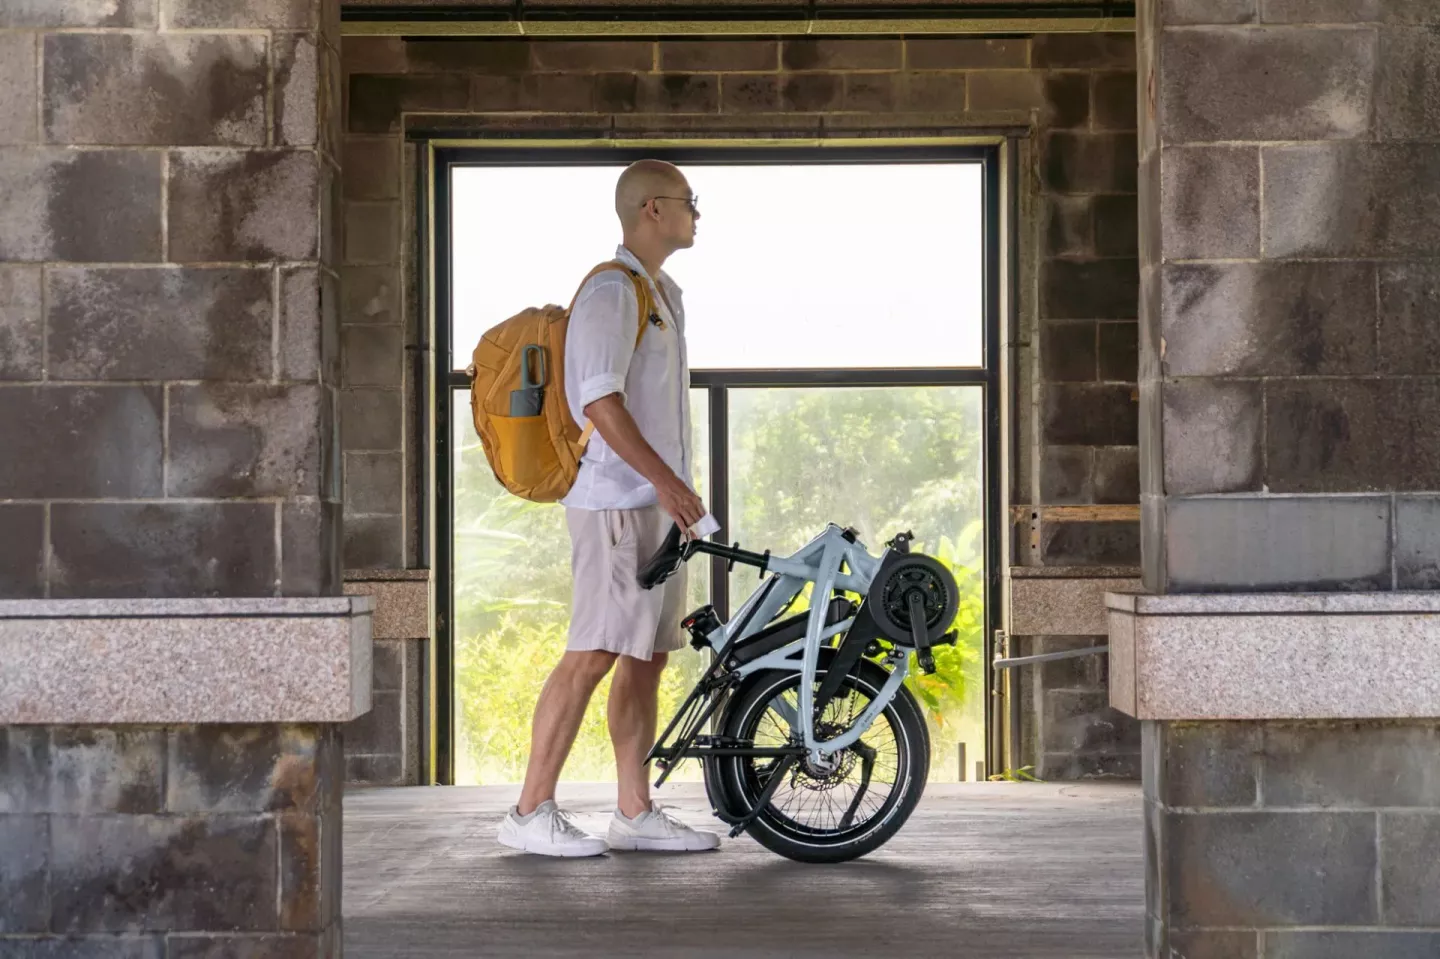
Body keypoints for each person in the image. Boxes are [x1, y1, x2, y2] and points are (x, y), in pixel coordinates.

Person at [496, 160, 721, 857]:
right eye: (690, 202)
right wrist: (669, 484)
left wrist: (671, 491)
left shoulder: (661, 292)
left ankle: (634, 809)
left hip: (654, 502)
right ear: (652, 209)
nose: (698, 213)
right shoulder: (610, 289)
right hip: (614, 504)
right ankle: (529, 811)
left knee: (646, 655)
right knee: (592, 649)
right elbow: (598, 398)